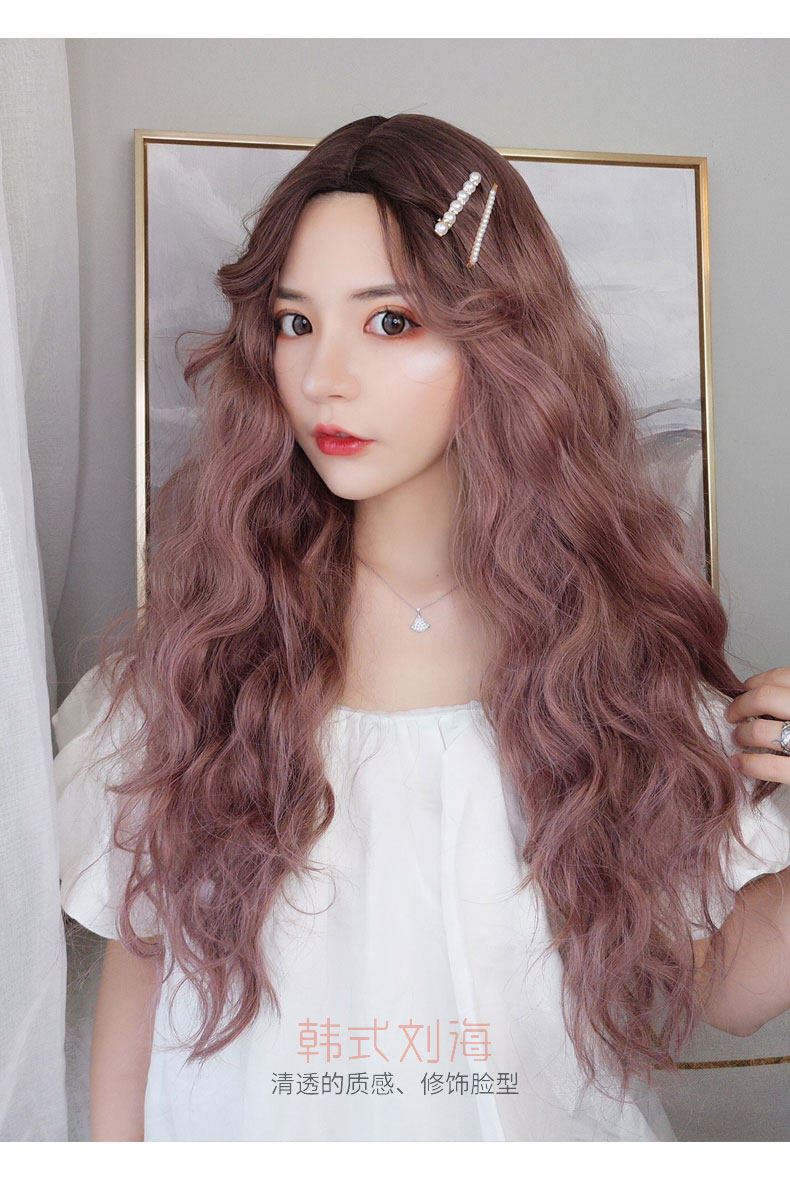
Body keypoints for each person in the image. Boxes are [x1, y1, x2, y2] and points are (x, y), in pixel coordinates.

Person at [54, 113, 790, 1143]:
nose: (325, 376)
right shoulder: (204, 656)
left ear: (502, 339)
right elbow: (138, 997)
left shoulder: (610, 660)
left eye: (390, 321)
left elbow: (724, 990)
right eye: (296, 322)